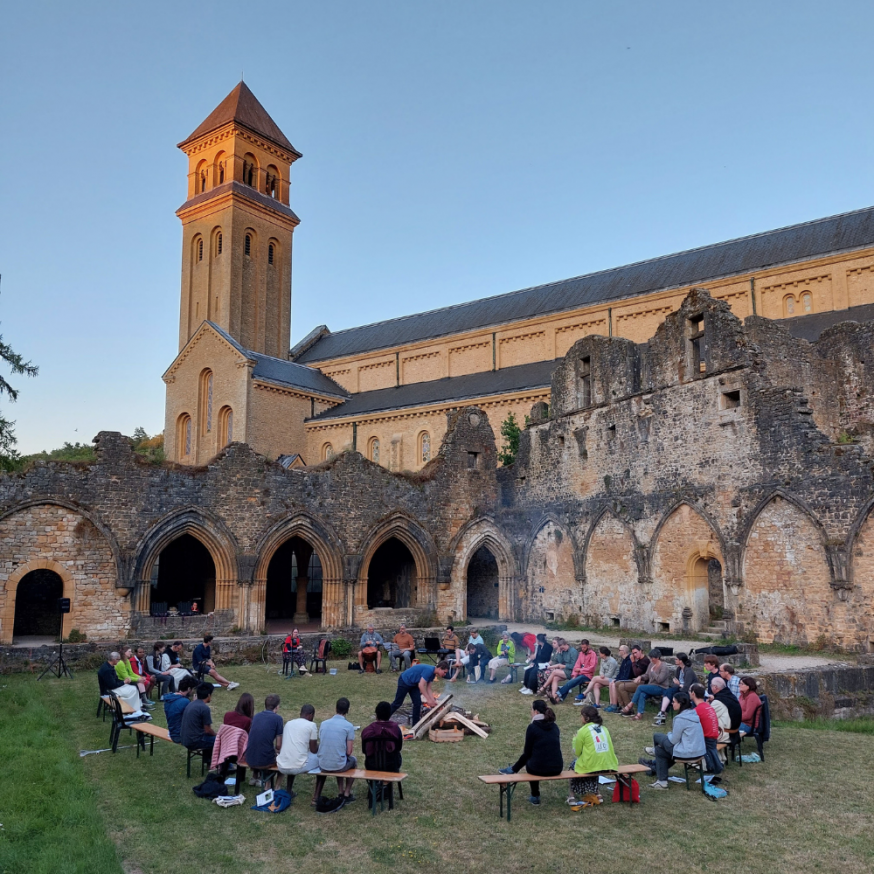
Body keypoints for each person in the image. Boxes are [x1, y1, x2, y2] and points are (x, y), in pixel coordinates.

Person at [498, 700, 563, 806]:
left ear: (536, 712)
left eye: (531, 709)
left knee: (532, 762)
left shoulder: (533, 727)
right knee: (536, 759)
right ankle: (533, 794)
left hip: (539, 769)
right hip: (557, 768)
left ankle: (535, 796)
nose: (530, 711)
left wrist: (514, 769)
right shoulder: (554, 726)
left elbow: (527, 753)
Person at [641, 691, 706, 790]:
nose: (672, 704)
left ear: (680, 703)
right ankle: (661, 780)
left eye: (674, 702)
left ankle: (656, 757)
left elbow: (673, 740)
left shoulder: (680, 718)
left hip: (688, 752)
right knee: (660, 751)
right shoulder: (694, 715)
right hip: (699, 751)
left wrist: (669, 734)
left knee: (657, 736)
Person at [568, 705, 619, 807]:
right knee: (593, 765)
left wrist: (574, 739)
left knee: (574, 766)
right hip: (609, 764)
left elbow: (577, 752)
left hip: (593, 765)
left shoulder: (583, 731)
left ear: (586, 718)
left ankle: (571, 796)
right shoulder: (604, 728)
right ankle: (597, 794)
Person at [315, 698, 357, 807]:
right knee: (352, 760)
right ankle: (346, 793)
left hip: (322, 764)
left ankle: (340, 791)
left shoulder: (323, 724)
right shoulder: (348, 726)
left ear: (335, 708)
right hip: (338, 764)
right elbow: (349, 752)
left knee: (340, 757)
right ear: (348, 710)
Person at [277, 704, 321, 802]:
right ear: (310, 715)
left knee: (295, 755)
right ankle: (316, 796)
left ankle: (289, 790)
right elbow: (314, 750)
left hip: (282, 764)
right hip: (297, 765)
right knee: (322, 760)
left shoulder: (288, 723)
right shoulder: (311, 725)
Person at [390, 660, 450, 726]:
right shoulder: (429, 670)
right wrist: (428, 700)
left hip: (413, 684)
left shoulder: (433, 674)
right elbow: (421, 685)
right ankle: (383, 718)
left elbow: (428, 688)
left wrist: (432, 700)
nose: (445, 674)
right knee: (397, 703)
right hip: (405, 681)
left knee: (417, 703)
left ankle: (415, 725)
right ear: (440, 668)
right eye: (444, 672)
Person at [620, 649, 672, 720]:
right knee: (642, 694)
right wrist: (640, 677)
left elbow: (659, 680)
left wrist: (653, 672)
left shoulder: (663, 667)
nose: (651, 659)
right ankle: (639, 714)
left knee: (640, 687)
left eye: (652, 658)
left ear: (657, 658)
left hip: (661, 687)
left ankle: (630, 705)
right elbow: (647, 675)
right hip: (651, 686)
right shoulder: (651, 664)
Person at [245, 694, 284, 783]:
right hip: (264, 760)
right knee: (284, 761)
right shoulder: (278, 719)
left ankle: (255, 776)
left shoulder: (257, 716)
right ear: (277, 707)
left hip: (249, 756)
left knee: (260, 746)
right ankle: (268, 782)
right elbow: (278, 745)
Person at [654, 653, 698, 725]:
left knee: (670, 695)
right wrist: (676, 686)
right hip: (680, 689)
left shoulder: (689, 671)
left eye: (676, 659)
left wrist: (678, 685)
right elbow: (675, 683)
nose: (675, 660)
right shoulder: (679, 669)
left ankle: (662, 716)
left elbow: (686, 687)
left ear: (680, 661)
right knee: (668, 693)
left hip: (689, 692)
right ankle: (662, 713)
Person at [361, 701, 404, 773]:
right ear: (389, 714)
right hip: (392, 765)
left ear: (376, 715)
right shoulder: (395, 729)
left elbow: (364, 750)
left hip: (372, 765)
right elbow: (399, 748)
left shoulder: (367, 730)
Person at [690, 683, 723, 776]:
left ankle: (713, 767)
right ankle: (715, 766)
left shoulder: (697, 710)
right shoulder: (708, 706)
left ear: (693, 693)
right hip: (713, 735)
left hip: (706, 738)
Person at [179, 682, 218, 754]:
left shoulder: (191, 704)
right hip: (194, 741)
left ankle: (208, 761)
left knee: (209, 738)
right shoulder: (204, 708)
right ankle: (223, 763)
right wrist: (217, 735)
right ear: (209, 695)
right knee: (220, 740)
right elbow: (208, 730)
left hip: (185, 738)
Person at [612, 645, 650, 711]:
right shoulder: (638, 660)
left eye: (636, 652)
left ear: (640, 651)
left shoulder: (645, 660)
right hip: (634, 680)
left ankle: (629, 708)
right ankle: (622, 705)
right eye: (633, 653)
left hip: (642, 682)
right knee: (617, 683)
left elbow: (636, 673)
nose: (634, 655)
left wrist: (633, 662)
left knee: (622, 687)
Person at [162, 675, 199, 742]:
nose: (193, 692)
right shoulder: (184, 701)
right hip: (180, 735)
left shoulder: (169, 698)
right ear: (189, 689)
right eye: (193, 689)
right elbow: (193, 719)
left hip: (172, 732)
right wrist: (194, 704)